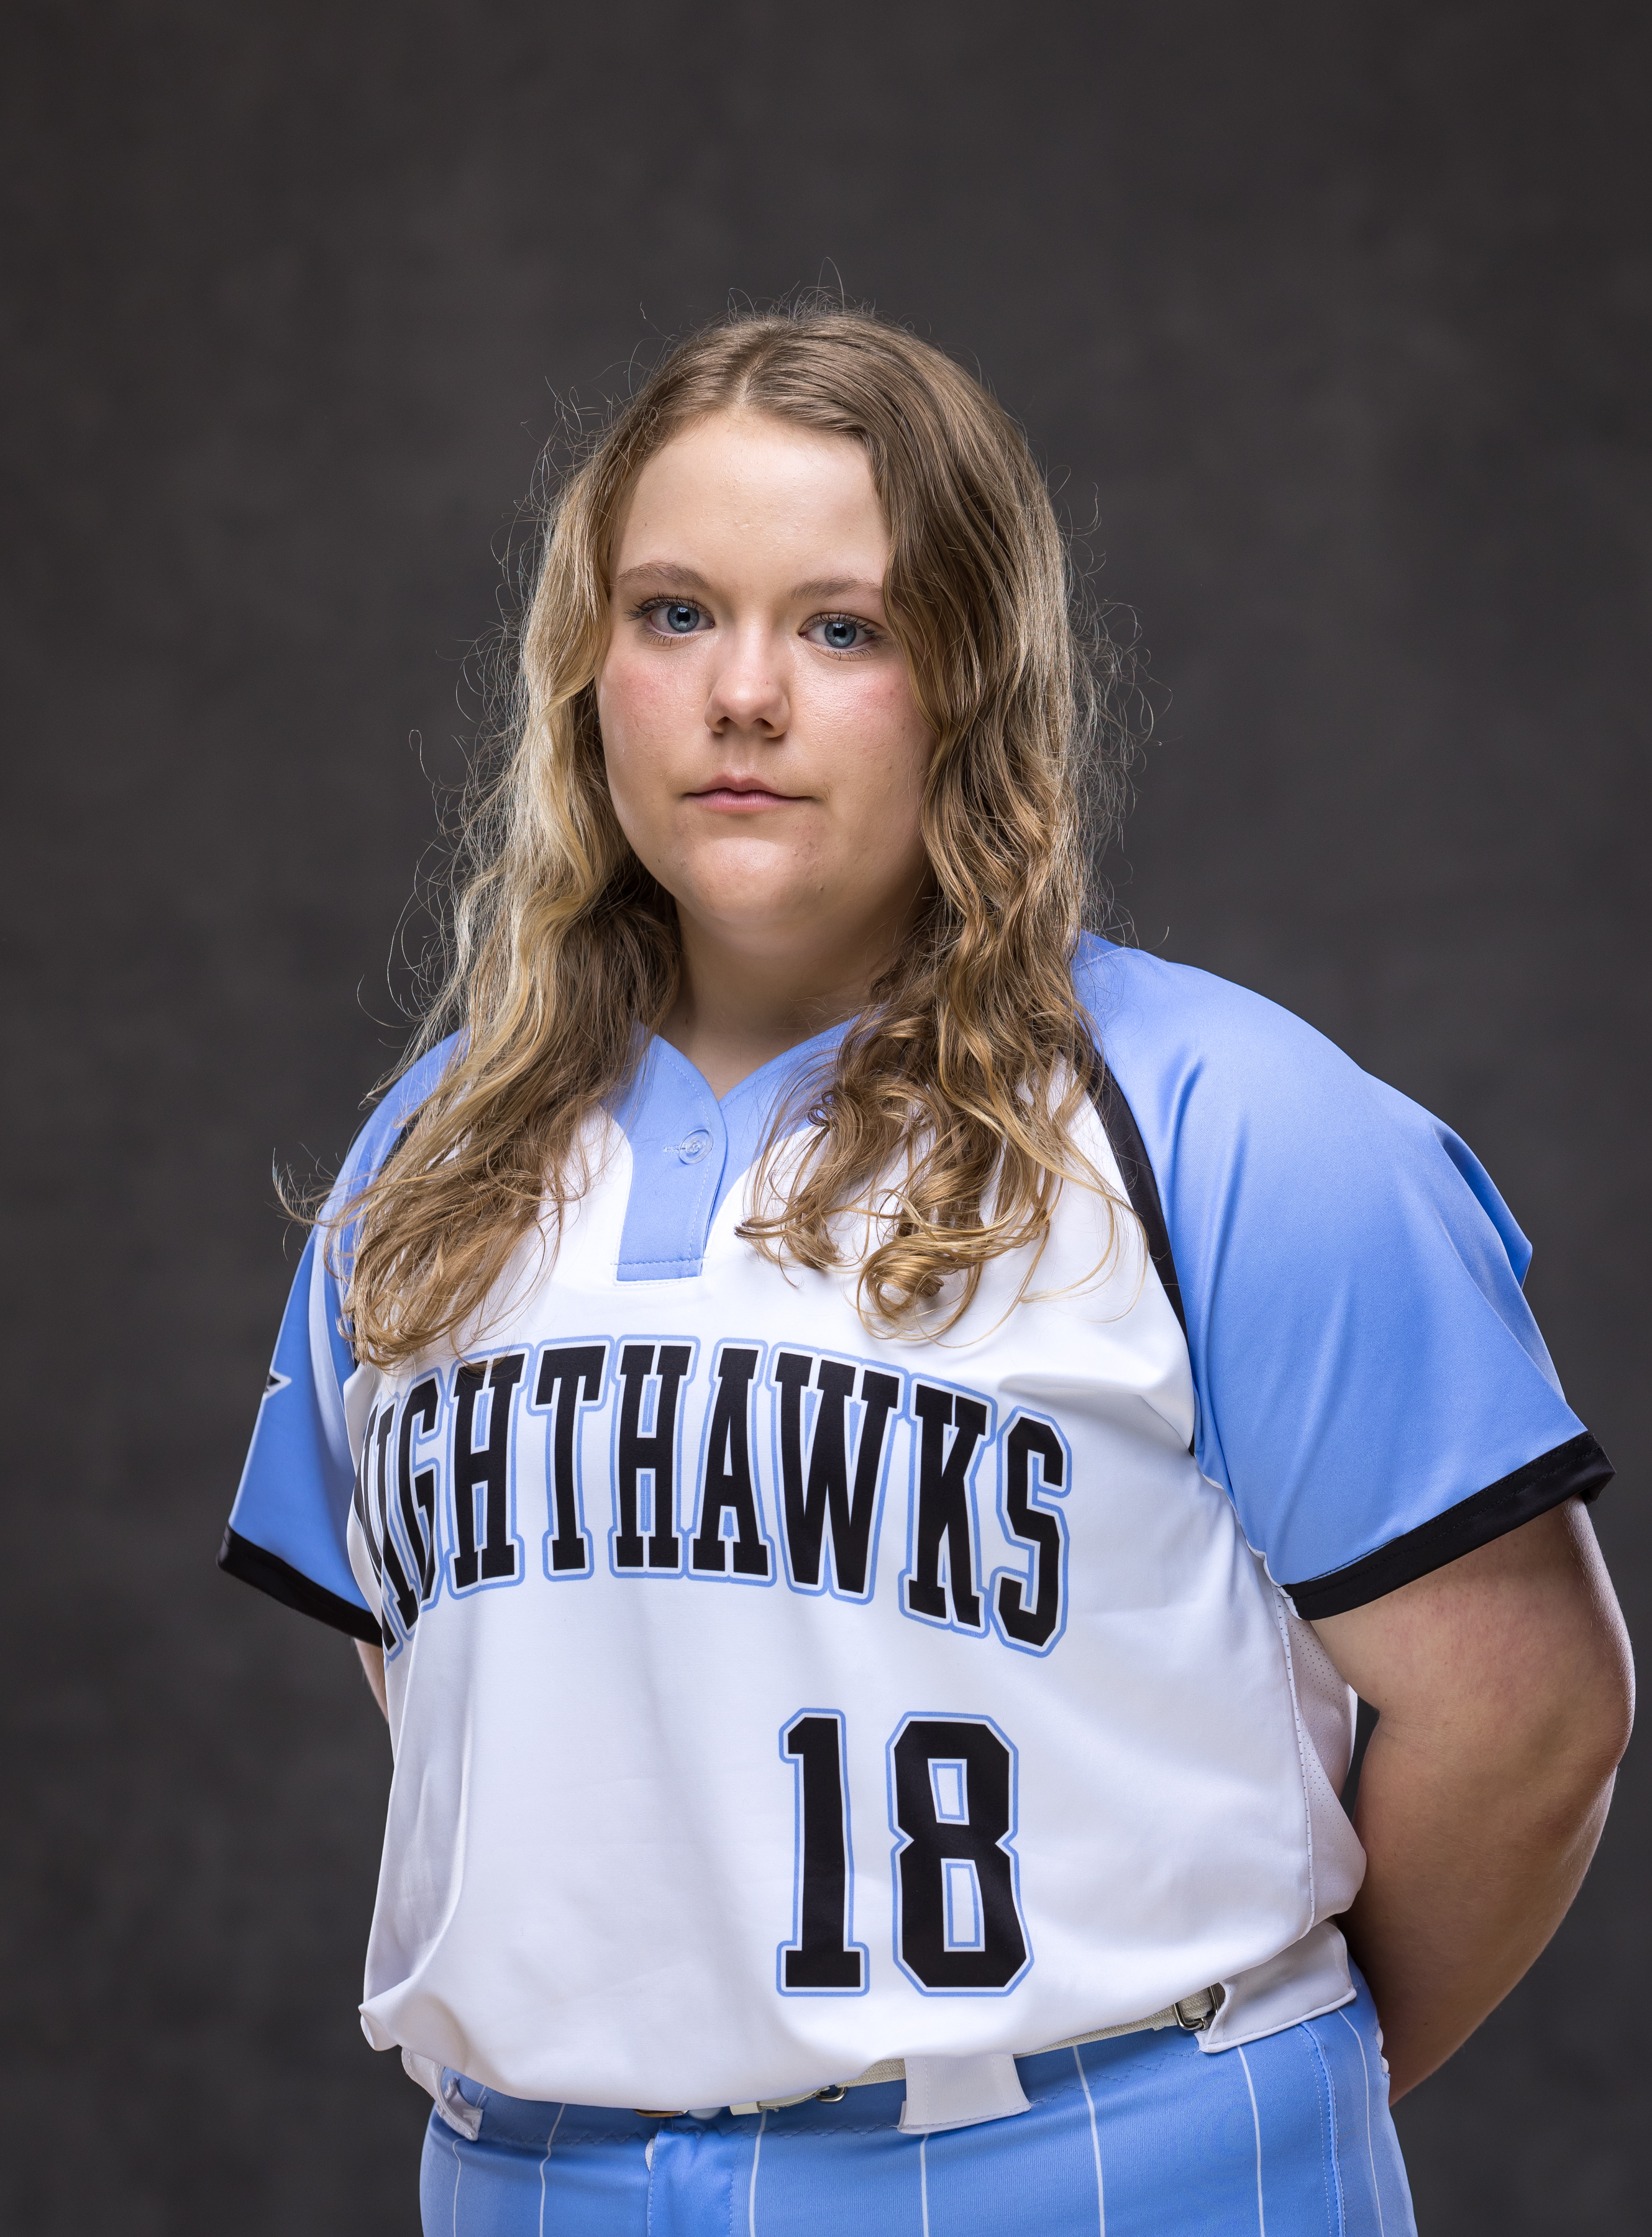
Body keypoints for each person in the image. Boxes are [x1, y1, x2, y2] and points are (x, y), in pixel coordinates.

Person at [221, 306, 1632, 2237]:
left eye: (841, 626)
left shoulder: (1227, 1124)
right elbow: (479, 1689)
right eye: (672, 614)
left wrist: (1248, 2105)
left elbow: (1529, 1717)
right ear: (582, 670)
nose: (742, 695)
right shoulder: (425, 1161)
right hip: (537, 2182)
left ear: (974, 679)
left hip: (1104, 2161)